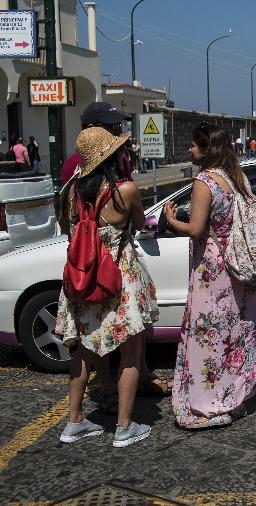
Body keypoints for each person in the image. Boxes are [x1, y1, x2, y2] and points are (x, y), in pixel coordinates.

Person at [55, 127, 158, 447]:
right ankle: (124, 428)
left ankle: (74, 422)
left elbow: (67, 228)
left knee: (83, 353)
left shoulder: (72, 191)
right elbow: (140, 224)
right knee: (131, 353)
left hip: (82, 279)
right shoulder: (124, 190)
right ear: (113, 156)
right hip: (118, 280)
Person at [163, 122, 256, 430]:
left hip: (213, 267)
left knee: (208, 335)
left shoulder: (204, 181)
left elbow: (196, 229)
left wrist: (170, 220)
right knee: (236, 332)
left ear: (208, 149)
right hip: (239, 266)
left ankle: (209, 403)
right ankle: (236, 396)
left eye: (194, 145)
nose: (189, 149)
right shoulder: (236, 178)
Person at [61, 102, 131, 184]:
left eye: (120, 125)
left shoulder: (121, 157)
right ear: (91, 128)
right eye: (114, 126)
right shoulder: (74, 165)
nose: (120, 131)